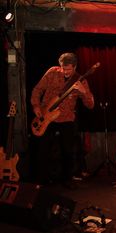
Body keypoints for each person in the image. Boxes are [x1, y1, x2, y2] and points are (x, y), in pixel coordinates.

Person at [31, 52, 94, 188]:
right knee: (43, 149)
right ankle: (41, 180)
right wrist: (36, 105)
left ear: (75, 67)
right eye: (63, 68)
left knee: (68, 151)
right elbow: (38, 89)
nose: (65, 72)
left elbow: (90, 105)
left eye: (68, 69)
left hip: (66, 118)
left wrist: (84, 91)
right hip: (46, 116)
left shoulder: (80, 81)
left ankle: (67, 180)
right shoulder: (52, 72)